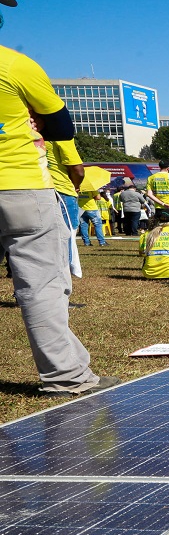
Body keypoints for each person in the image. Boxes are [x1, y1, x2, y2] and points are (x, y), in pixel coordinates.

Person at [0, 35, 118, 395]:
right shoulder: (14, 64)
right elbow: (61, 128)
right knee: (42, 286)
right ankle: (66, 376)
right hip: (19, 183)